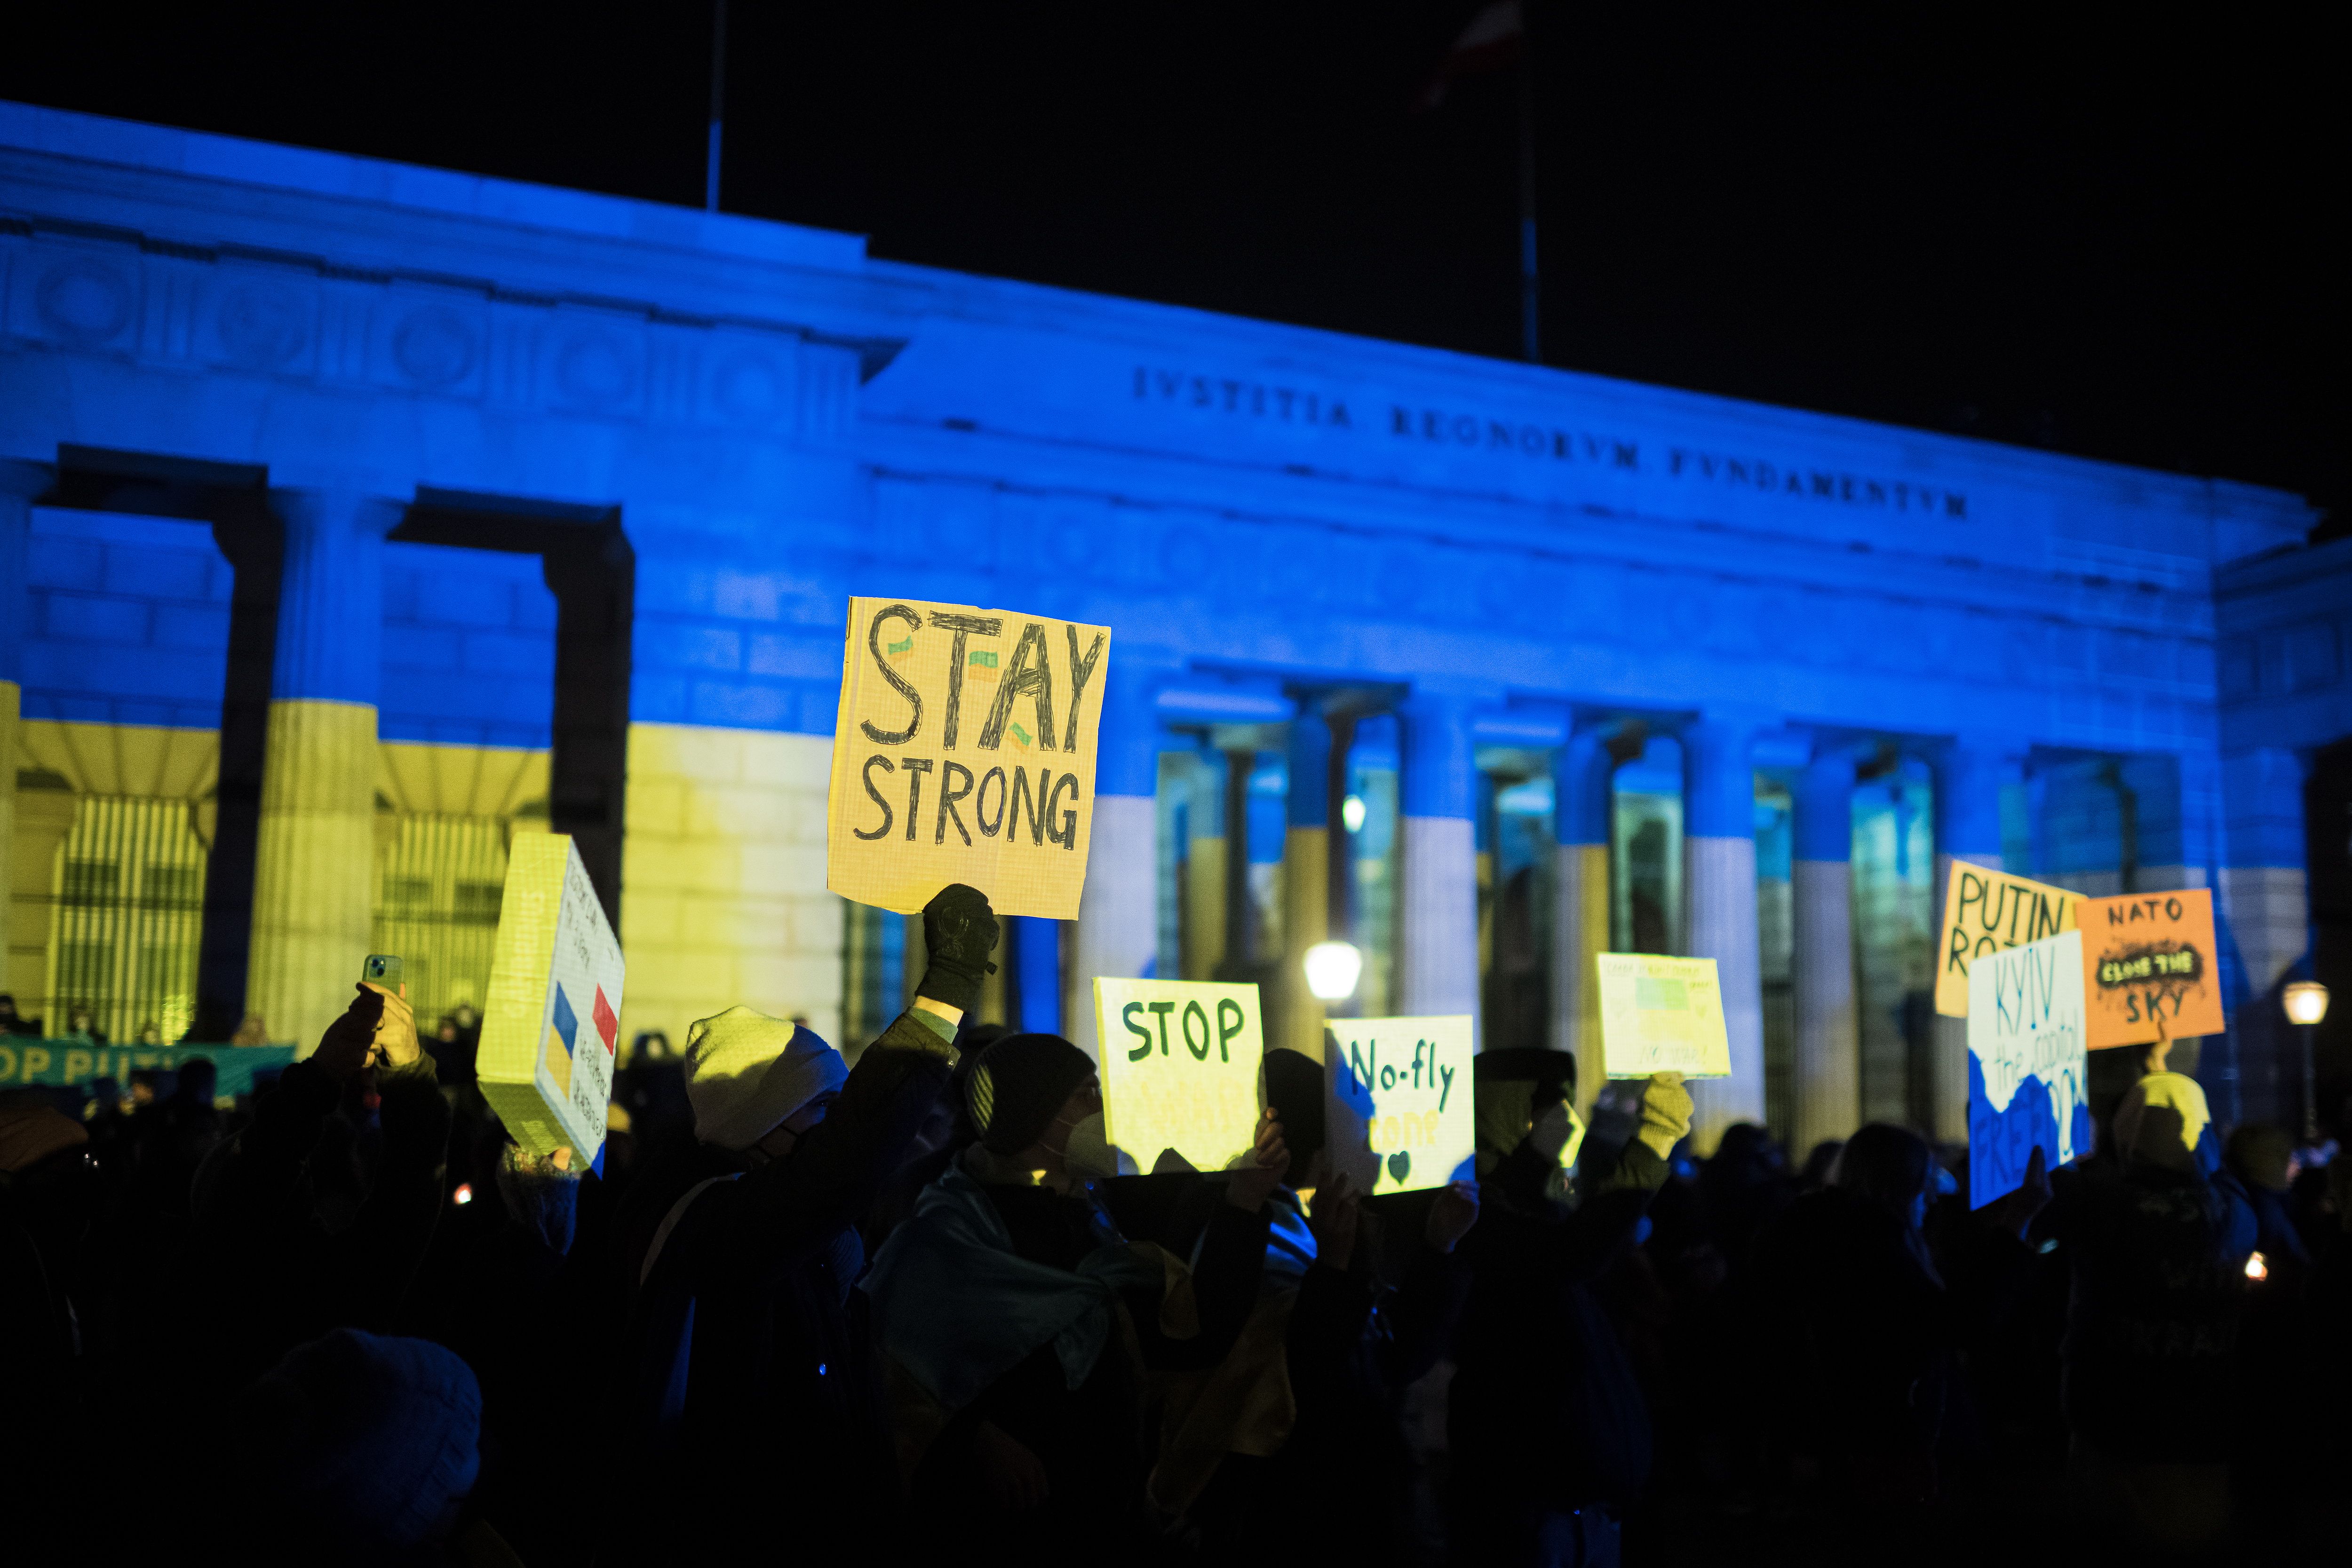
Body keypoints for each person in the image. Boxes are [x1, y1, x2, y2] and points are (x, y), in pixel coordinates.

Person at [600, 883, 997, 1562]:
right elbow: (842, 1166)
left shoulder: (777, 1218)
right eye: (824, 1108)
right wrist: (942, 996)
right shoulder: (718, 1221)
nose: (836, 1126)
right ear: (763, 1125)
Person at [862, 1029, 1284, 1554]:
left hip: (1097, 1520)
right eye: (1085, 1092)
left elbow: (1192, 1335)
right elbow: (883, 1372)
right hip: (995, 1529)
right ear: (1033, 1110)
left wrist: (1244, 1202)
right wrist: (973, 1439)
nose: (1103, 1107)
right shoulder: (946, 1235)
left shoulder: (1092, 1223)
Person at [1446, 1063, 1693, 1567]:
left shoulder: (1544, 1202)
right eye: (1548, 1109)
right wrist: (1653, 1136)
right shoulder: (1465, 1212)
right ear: (1507, 1118)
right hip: (1532, 1510)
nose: (1568, 1121)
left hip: (1587, 1507)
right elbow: (1564, 1255)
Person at [1749, 1124, 2045, 1514]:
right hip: (1880, 1443)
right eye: (1926, 1181)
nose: (1934, 1196)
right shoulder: (1871, 1251)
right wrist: (2015, 1222)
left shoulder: (1824, 1233)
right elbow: (1959, 1323)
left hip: (1834, 1441)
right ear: (1904, 1184)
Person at [2046, 1068, 2255, 1555]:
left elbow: (2042, 1201)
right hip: (2207, 1411)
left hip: (2119, 1409)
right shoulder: (2235, 1208)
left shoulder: (2102, 1203)